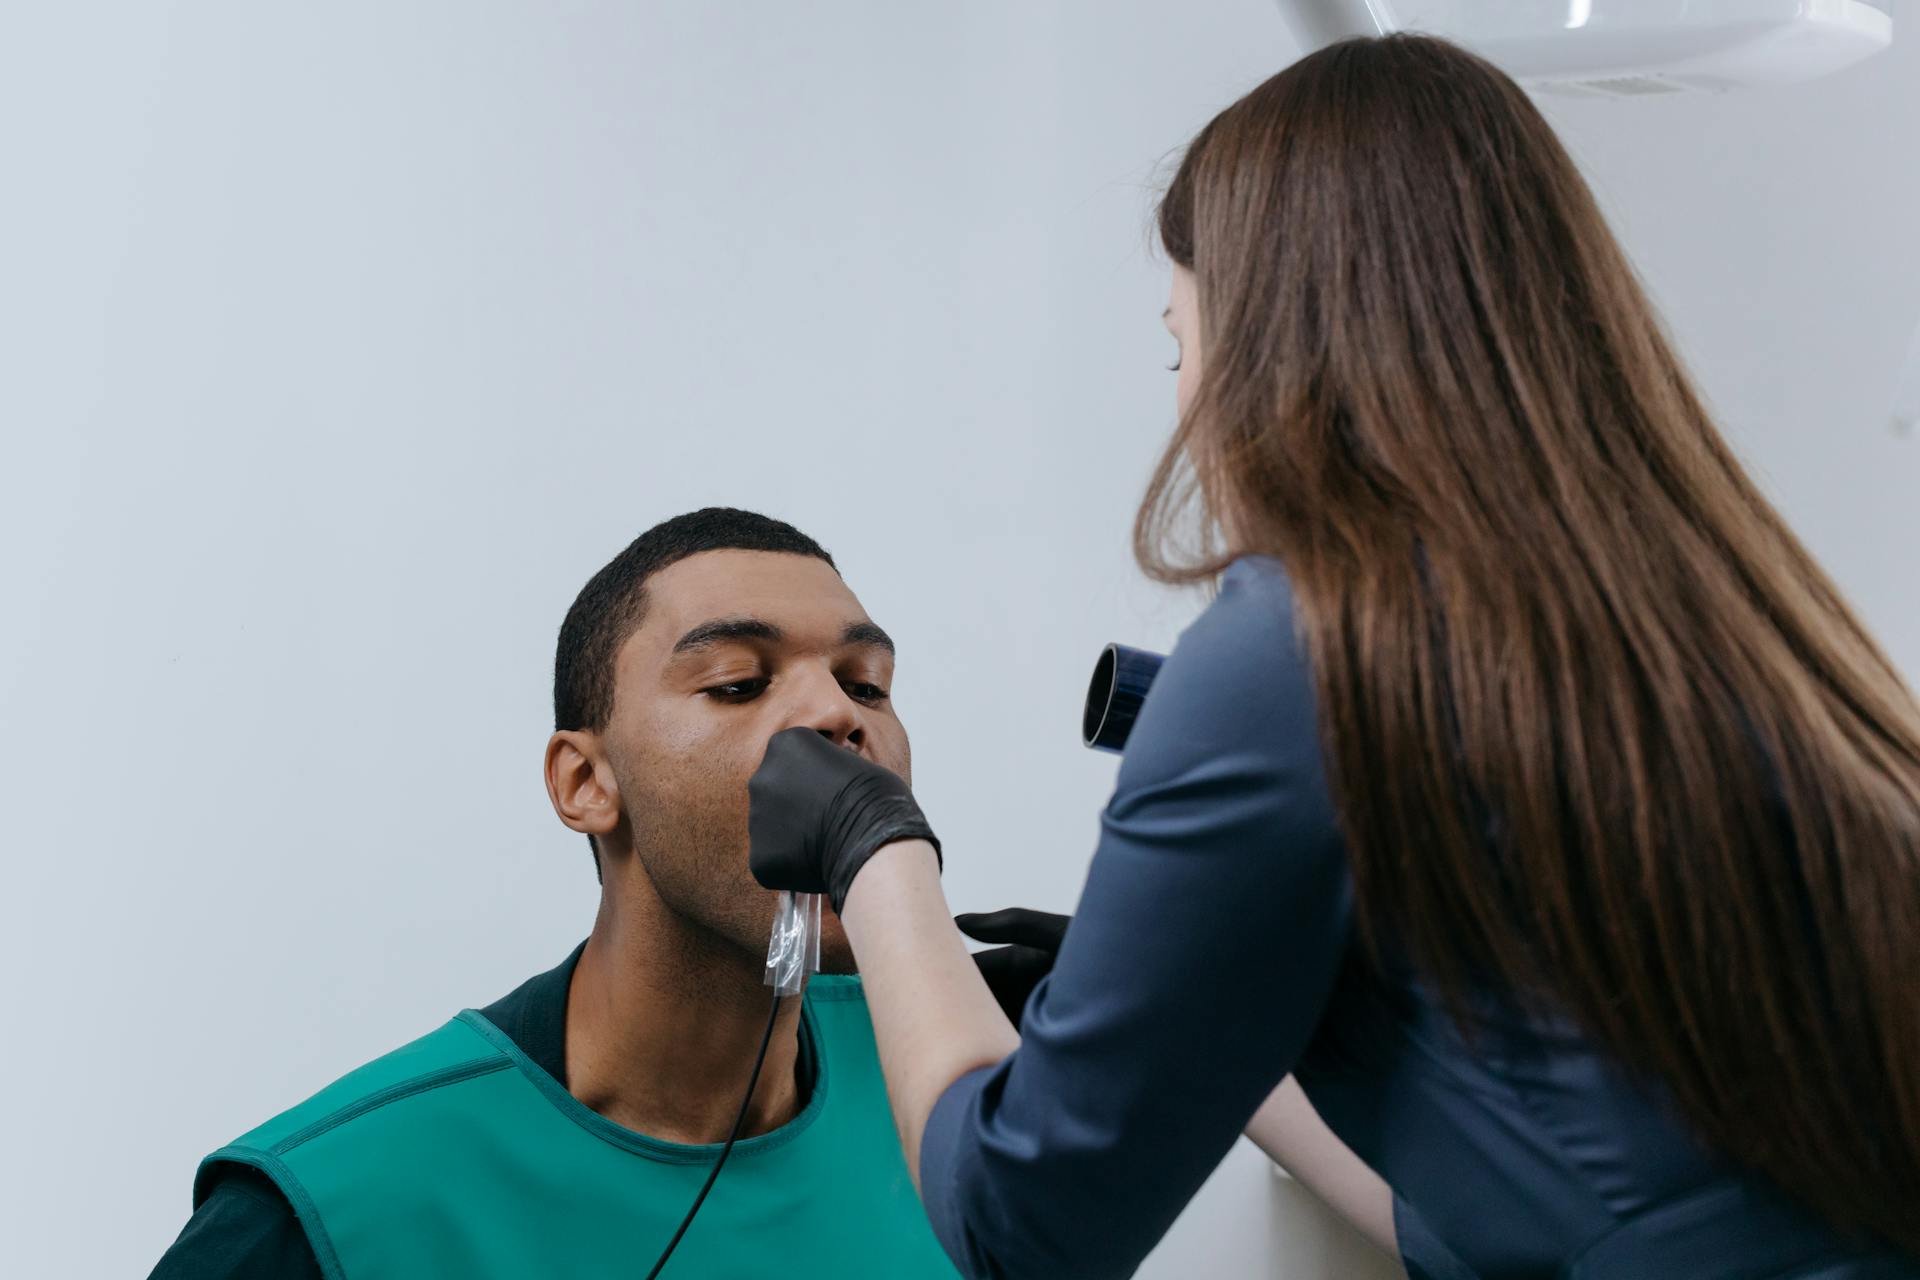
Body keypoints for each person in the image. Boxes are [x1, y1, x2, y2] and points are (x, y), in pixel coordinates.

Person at [746, 35, 1920, 1280]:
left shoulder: (1291, 649)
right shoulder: (1718, 623)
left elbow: (1021, 1224)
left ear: (1274, 342)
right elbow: (1543, 1200)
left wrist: (875, 852)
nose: (1185, 401)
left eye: (1179, 343)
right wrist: (1218, 1033)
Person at [150, 509, 973, 1278]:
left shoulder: (966, 1115)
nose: (837, 713)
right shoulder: (325, 1216)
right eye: (736, 683)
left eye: (866, 685)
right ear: (585, 782)